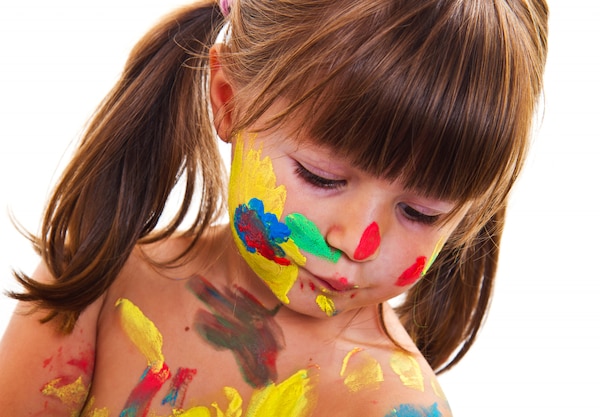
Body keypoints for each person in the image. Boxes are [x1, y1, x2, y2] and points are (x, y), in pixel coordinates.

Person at [0, 0, 548, 415]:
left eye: (421, 213)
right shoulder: (96, 278)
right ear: (228, 101)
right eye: (322, 176)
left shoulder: (386, 402)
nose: (355, 241)